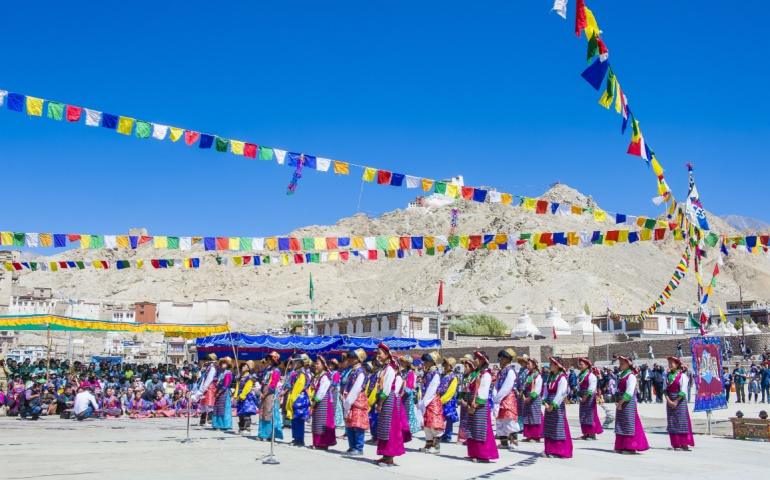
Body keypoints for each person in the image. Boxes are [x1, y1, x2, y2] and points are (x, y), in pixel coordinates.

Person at [462, 351, 499, 463]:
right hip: (471, 405)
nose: (474, 360)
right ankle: (473, 453)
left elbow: (483, 391)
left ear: (483, 360)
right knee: (472, 429)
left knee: (479, 430)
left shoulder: (486, 374)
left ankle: (483, 455)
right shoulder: (475, 373)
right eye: (474, 358)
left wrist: (475, 405)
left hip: (479, 406)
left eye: (477, 358)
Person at [373, 343, 405, 466]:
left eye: (379, 353)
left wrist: (380, 402)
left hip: (387, 400)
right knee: (384, 428)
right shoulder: (385, 368)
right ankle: (385, 455)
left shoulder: (390, 369)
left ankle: (390, 457)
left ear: (386, 355)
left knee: (389, 429)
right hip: (385, 400)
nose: (378, 355)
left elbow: (386, 388)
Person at [614, 356, 649, 454]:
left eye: (622, 363)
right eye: (619, 363)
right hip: (621, 403)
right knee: (621, 424)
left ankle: (630, 447)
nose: (620, 365)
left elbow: (629, 392)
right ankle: (622, 445)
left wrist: (621, 403)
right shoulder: (622, 375)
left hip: (627, 403)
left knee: (629, 424)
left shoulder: (631, 376)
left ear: (628, 364)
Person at [543, 357, 572, 459]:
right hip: (549, 404)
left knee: (558, 426)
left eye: (552, 364)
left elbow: (561, 393)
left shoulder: (562, 378)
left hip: (557, 405)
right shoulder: (550, 377)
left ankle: (559, 451)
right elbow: (546, 391)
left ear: (557, 366)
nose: (550, 365)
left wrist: (553, 405)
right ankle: (550, 449)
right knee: (549, 427)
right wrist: (545, 401)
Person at [342, 348, 369, 456]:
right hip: (349, 399)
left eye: (353, 357)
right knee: (349, 424)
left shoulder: (360, 372)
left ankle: (358, 447)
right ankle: (352, 446)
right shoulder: (352, 371)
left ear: (359, 360)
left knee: (357, 425)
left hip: (356, 400)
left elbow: (356, 388)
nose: (350, 359)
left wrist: (348, 400)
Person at [418, 351, 445, 454]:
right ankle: (428, 445)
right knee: (426, 424)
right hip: (426, 400)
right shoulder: (427, 373)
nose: (424, 363)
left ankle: (436, 446)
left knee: (434, 424)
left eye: (427, 361)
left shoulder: (435, 374)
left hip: (432, 401)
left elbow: (432, 389)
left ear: (432, 362)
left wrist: (424, 402)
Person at [665, 357, 694, 451]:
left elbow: (683, 391)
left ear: (677, 365)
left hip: (680, 401)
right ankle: (676, 443)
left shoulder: (683, 376)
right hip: (670, 401)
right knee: (672, 421)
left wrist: (676, 401)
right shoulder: (667, 376)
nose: (670, 365)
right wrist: (669, 401)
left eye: (671, 363)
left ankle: (684, 443)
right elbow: (664, 390)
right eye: (669, 363)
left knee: (681, 421)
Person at [493, 348, 519, 451]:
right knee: (500, 420)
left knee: (509, 420)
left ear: (508, 359)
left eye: (502, 358)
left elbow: (507, 387)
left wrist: (498, 397)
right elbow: (496, 385)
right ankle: (504, 443)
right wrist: (495, 396)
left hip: (507, 399)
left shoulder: (510, 371)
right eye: (500, 358)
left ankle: (514, 442)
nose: (500, 360)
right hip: (499, 398)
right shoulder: (501, 371)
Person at [310, 355, 337, 450]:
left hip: (323, 402)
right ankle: (317, 442)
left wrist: (314, 402)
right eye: (315, 363)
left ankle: (322, 443)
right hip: (320, 402)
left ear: (323, 365)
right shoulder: (320, 376)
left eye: (317, 364)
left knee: (322, 422)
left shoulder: (325, 376)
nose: (315, 365)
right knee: (317, 422)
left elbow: (321, 391)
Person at [286, 354, 312, 446]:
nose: (292, 364)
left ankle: (300, 440)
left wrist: (293, 398)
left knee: (299, 419)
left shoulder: (302, 374)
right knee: (294, 419)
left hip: (299, 399)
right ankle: (296, 438)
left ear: (299, 363)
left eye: (294, 362)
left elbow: (299, 387)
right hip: (295, 397)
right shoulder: (295, 373)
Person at [258, 352, 284, 441]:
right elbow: (260, 377)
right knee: (263, 413)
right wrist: (262, 366)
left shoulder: (276, 371)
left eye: (270, 359)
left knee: (268, 413)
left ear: (274, 360)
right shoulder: (267, 369)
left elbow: (273, 385)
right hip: (264, 392)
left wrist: (265, 394)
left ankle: (268, 435)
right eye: (268, 358)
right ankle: (262, 433)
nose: (268, 360)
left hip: (270, 393)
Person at [577, 357, 603, 440]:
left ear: (587, 365)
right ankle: (586, 433)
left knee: (590, 415)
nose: (580, 366)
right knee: (583, 415)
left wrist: (585, 397)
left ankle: (592, 434)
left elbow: (591, 388)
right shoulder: (581, 375)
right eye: (579, 364)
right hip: (582, 397)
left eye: (581, 364)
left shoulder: (591, 376)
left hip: (589, 398)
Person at [521, 357, 544, 442]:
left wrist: (530, 398)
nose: (527, 365)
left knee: (535, 417)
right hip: (527, 398)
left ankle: (536, 436)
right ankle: (529, 435)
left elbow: (537, 390)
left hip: (533, 399)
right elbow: (525, 385)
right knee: (528, 416)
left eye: (529, 364)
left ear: (534, 365)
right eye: (527, 364)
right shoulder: (528, 375)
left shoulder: (538, 376)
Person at [193, 353, 218, 426]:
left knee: (209, 404)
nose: (205, 361)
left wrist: (203, 389)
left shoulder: (213, 368)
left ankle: (210, 421)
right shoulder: (207, 368)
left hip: (210, 388)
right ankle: (203, 420)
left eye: (207, 360)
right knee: (203, 404)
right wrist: (200, 389)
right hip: (205, 388)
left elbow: (209, 379)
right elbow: (204, 379)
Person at [439, 357, 459, 444]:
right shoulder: (443, 375)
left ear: (450, 366)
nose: (444, 366)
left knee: (449, 418)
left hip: (449, 400)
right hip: (441, 398)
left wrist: (442, 400)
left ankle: (448, 435)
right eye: (444, 364)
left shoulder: (453, 377)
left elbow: (451, 391)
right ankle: (440, 433)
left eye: (446, 365)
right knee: (441, 417)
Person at [400, 355, 421, 438]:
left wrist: (402, 393)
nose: (401, 363)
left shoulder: (410, 373)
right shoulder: (402, 372)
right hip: (402, 395)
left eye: (403, 361)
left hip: (407, 396)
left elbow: (409, 386)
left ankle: (408, 431)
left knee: (408, 413)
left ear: (407, 363)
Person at [235, 360, 258, 435]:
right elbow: (237, 386)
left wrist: (242, 395)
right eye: (242, 366)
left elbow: (248, 387)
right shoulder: (240, 376)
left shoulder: (250, 376)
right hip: (240, 395)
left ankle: (247, 428)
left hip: (247, 396)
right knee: (240, 412)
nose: (243, 367)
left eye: (245, 366)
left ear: (248, 368)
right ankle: (241, 428)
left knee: (246, 412)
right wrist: (235, 395)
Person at [211, 357, 233, 430]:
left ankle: (224, 425)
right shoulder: (220, 373)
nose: (223, 364)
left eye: (225, 363)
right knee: (217, 408)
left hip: (224, 393)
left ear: (227, 365)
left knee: (223, 409)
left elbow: (226, 385)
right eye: (222, 363)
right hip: (218, 392)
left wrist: (219, 392)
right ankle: (217, 424)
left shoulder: (228, 373)